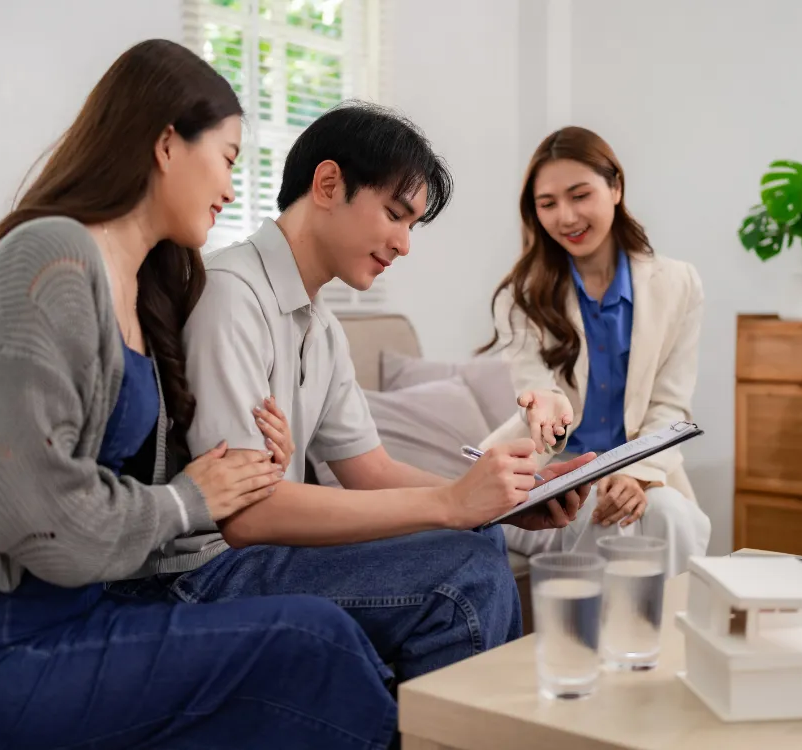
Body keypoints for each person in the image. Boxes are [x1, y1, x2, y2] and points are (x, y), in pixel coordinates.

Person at [0, 40, 398, 750]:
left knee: (324, 650)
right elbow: (19, 501)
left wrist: (249, 471)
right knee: (312, 639)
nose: (233, 189)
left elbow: (118, 487)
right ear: (168, 142)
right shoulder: (52, 253)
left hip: (82, 614)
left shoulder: (147, 288)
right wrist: (188, 499)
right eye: (229, 158)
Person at [107, 101, 597, 686]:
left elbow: (369, 468)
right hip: (199, 573)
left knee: (482, 540)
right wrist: (450, 506)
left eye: (411, 225)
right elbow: (242, 514)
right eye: (395, 213)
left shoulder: (321, 327)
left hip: (254, 558)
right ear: (329, 183)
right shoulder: (232, 295)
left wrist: (494, 501)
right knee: (463, 572)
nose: (404, 244)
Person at [478, 126, 711, 577]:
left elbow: (670, 404)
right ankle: (603, 643)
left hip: (646, 467)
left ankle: (656, 641)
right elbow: (538, 399)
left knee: (665, 512)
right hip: (557, 471)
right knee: (606, 513)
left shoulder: (679, 284)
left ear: (616, 187)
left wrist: (636, 472)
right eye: (548, 204)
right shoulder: (521, 297)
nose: (566, 216)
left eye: (580, 195)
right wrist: (589, 466)